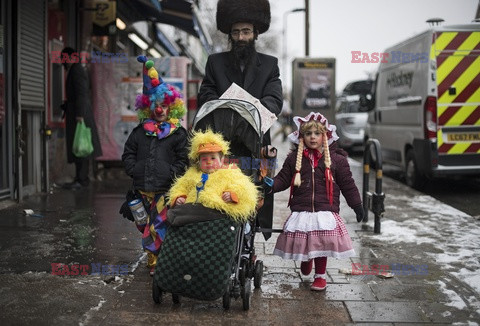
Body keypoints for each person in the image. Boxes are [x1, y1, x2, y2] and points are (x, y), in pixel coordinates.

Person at [197, 0, 283, 238]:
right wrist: (224, 107)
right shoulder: (215, 62)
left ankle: (249, 244)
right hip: (220, 143)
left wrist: (250, 111)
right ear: (230, 35)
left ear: (255, 33)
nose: (241, 37)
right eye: (236, 32)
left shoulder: (269, 65)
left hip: (255, 143)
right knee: (219, 193)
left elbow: (275, 100)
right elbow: (206, 93)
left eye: (246, 31)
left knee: (255, 195)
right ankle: (219, 240)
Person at [271, 112, 365, 291]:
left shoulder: (337, 160)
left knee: (321, 241)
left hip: (325, 209)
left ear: (325, 136)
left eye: (317, 133)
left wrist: (357, 205)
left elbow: (348, 185)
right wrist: (269, 185)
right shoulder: (294, 159)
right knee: (306, 239)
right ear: (302, 136)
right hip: (302, 208)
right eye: (308, 134)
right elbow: (283, 179)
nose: (312, 137)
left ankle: (320, 276)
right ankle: (307, 259)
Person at [122, 56, 189, 275]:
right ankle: (155, 257)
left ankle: (156, 262)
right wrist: (133, 169)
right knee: (143, 225)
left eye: (163, 105)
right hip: (141, 189)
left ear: (172, 107)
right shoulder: (140, 131)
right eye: (155, 105)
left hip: (164, 190)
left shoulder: (178, 133)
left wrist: (172, 172)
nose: (159, 110)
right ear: (148, 107)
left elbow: (184, 159)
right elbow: (128, 152)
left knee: (157, 226)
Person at [168, 129, 259, 222]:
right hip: (192, 212)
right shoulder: (191, 174)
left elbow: (244, 188)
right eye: (204, 159)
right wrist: (179, 197)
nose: (209, 162)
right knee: (173, 215)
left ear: (222, 160)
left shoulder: (230, 173)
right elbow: (180, 187)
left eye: (213, 158)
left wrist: (232, 195)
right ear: (198, 162)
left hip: (217, 214)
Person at [61, 47, 102, 189]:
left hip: (80, 114)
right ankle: (80, 178)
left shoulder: (77, 70)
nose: (63, 63)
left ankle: (82, 179)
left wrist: (80, 114)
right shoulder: (76, 69)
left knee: (81, 145)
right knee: (79, 146)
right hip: (78, 112)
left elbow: (81, 94)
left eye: (64, 59)